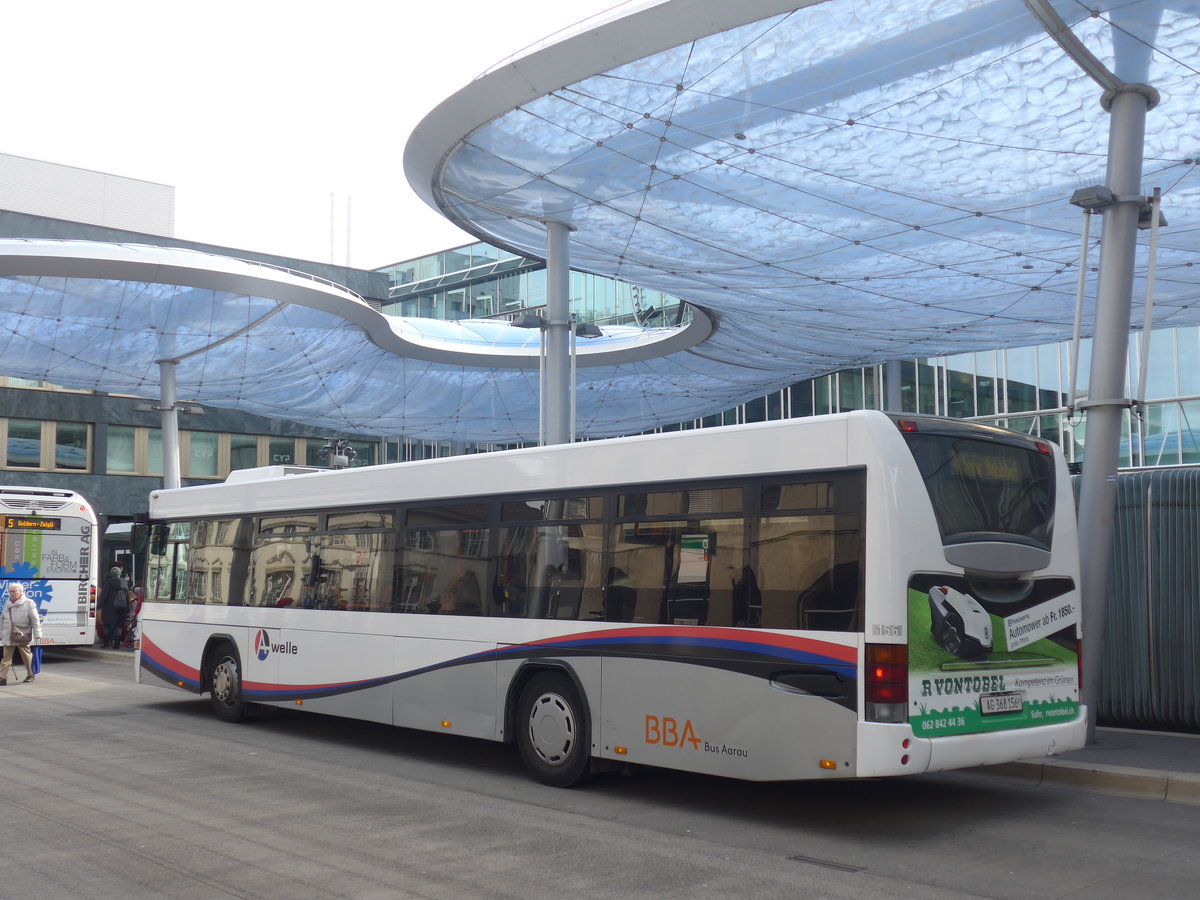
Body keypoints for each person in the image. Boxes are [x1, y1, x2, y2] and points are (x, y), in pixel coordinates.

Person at [1, 583, 42, 685]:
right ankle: (2, 678)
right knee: (6, 658)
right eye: (10, 591)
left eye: (13, 591)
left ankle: (30, 674)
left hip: (22, 635)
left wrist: (38, 634)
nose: (11, 593)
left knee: (26, 656)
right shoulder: (7, 602)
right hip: (8, 635)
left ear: (21, 591)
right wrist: (1, 633)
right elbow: (2, 619)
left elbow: (35, 620)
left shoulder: (29, 603)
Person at [98, 566, 128, 649]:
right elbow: (127, 596)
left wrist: (99, 605)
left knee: (106, 624)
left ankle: (107, 642)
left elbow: (104, 595)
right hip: (121, 608)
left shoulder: (108, 583)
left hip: (109, 608)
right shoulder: (124, 583)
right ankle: (117, 643)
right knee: (119, 625)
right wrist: (127, 608)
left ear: (111, 574)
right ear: (119, 574)